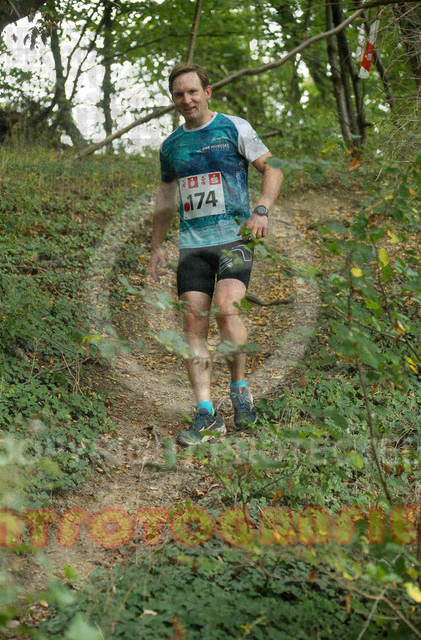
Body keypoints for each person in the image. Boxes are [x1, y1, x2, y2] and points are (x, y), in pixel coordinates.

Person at [150, 63, 283, 447]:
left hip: (235, 239)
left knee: (227, 310)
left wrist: (261, 210)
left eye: (193, 91)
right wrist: (156, 246)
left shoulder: (234, 127)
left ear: (207, 92)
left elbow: (272, 170)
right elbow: (165, 199)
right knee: (193, 325)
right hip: (193, 246)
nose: (187, 100)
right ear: (173, 99)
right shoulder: (171, 146)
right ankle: (206, 413)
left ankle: (239, 390)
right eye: (179, 94)